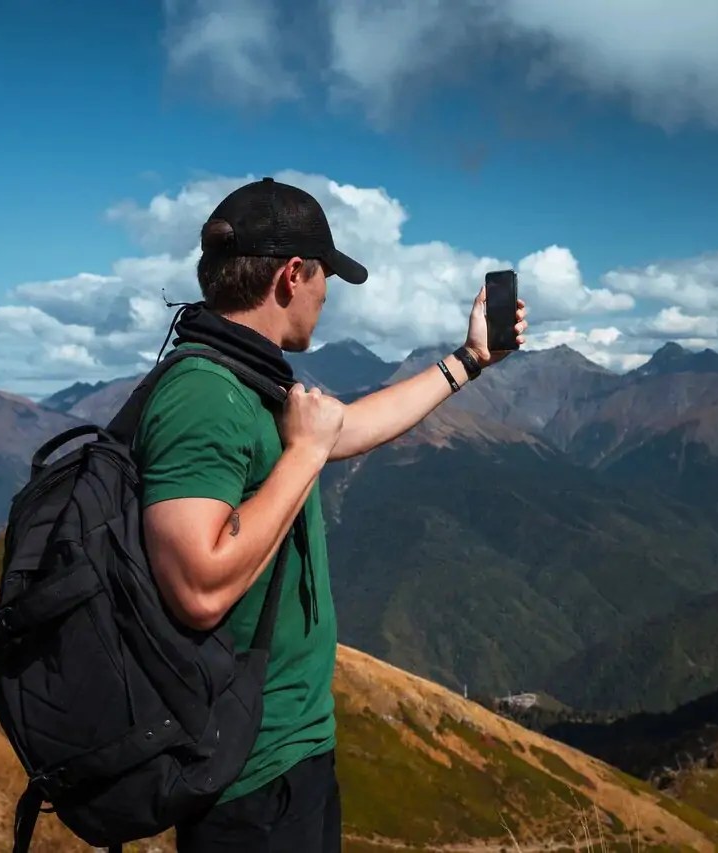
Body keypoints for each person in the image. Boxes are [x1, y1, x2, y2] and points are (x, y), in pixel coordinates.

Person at [132, 176, 528, 853]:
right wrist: (305, 451)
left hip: (290, 754)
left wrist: (468, 363)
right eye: (325, 279)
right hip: (246, 778)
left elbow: (343, 430)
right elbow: (198, 585)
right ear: (291, 275)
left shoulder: (251, 378)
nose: (325, 297)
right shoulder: (204, 393)